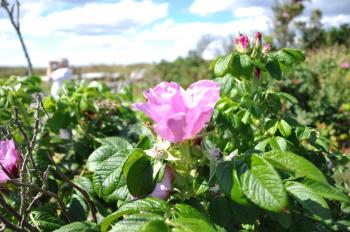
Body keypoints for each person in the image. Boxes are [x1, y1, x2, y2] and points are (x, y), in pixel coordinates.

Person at [46, 58, 73, 139]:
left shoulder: (64, 70)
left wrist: (49, 65)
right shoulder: (66, 71)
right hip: (59, 99)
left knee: (61, 121)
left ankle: (65, 140)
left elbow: (49, 77)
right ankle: (65, 138)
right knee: (63, 121)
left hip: (59, 101)